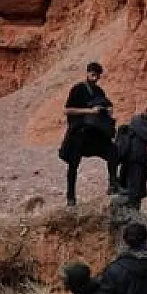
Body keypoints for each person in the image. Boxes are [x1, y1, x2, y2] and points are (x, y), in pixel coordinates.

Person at [58, 61, 118, 207]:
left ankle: (113, 185)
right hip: (78, 133)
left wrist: (108, 111)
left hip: (95, 133)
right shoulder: (78, 89)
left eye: (97, 75)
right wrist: (89, 111)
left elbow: (105, 109)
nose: (95, 78)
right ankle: (70, 198)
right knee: (73, 165)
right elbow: (67, 110)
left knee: (113, 152)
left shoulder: (100, 92)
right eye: (93, 74)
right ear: (87, 73)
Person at [117, 101, 147, 212]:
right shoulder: (137, 120)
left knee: (138, 189)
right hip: (134, 159)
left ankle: (134, 212)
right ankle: (130, 213)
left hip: (141, 161)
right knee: (133, 189)